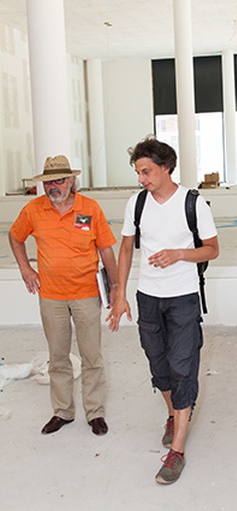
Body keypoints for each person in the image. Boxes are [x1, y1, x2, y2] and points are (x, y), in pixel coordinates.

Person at [107, 136, 219, 485]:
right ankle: (173, 413)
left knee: (183, 367)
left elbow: (212, 249)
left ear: (166, 168)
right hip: (148, 297)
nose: (141, 178)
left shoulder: (192, 203)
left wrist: (179, 254)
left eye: (146, 171)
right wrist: (120, 295)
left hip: (183, 297)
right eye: (138, 172)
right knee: (158, 365)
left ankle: (177, 450)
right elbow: (126, 249)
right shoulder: (137, 203)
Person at [9, 155, 118, 436]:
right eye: (48, 182)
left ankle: (95, 412)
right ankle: (63, 411)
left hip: (86, 295)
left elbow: (106, 249)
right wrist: (25, 268)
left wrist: (116, 286)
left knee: (92, 356)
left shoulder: (90, 208)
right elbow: (15, 236)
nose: (53, 187)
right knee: (58, 357)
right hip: (51, 297)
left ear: (71, 181)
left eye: (58, 181)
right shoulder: (33, 210)